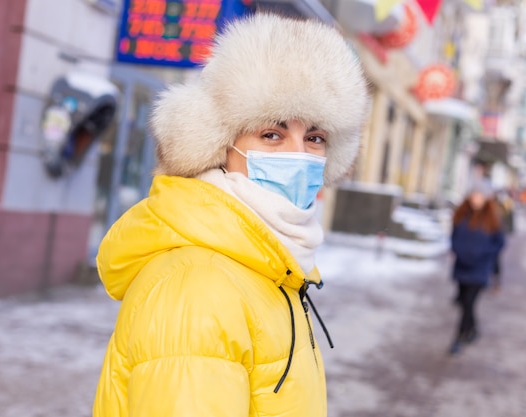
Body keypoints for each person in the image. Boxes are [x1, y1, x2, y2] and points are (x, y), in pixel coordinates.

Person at [93, 14, 370, 417]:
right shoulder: (198, 288)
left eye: (314, 137)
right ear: (221, 144)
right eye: (271, 134)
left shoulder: (269, 261)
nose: (298, 154)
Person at [449, 179, 505, 355]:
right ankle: (473, 329)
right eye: (474, 194)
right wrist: (457, 249)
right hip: (462, 266)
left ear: (486, 198)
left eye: (480, 195)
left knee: (468, 303)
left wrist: (484, 253)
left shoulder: (493, 219)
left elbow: (499, 243)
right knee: (464, 302)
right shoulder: (461, 213)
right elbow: (454, 236)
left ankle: (459, 338)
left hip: (480, 269)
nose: (476, 198)